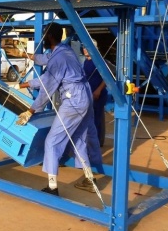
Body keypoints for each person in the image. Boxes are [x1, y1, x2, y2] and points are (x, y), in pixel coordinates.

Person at [15, 22, 102, 195]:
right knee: (78, 139)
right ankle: (89, 179)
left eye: (43, 37)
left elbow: (47, 86)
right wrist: (31, 58)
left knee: (52, 141)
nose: (42, 40)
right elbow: (47, 61)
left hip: (73, 100)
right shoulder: (65, 51)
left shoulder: (58, 59)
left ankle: (52, 187)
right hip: (84, 97)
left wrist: (30, 111)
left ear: (49, 37)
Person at [83, 39, 108, 147]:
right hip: (89, 94)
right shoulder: (86, 61)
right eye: (84, 47)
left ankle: (98, 141)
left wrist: (98, 90)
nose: (84, 50)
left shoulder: (99, 61)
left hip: (98, 94)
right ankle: (92, 140)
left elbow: (107, 77)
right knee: (90, 118)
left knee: (97, 118)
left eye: (86, 47)